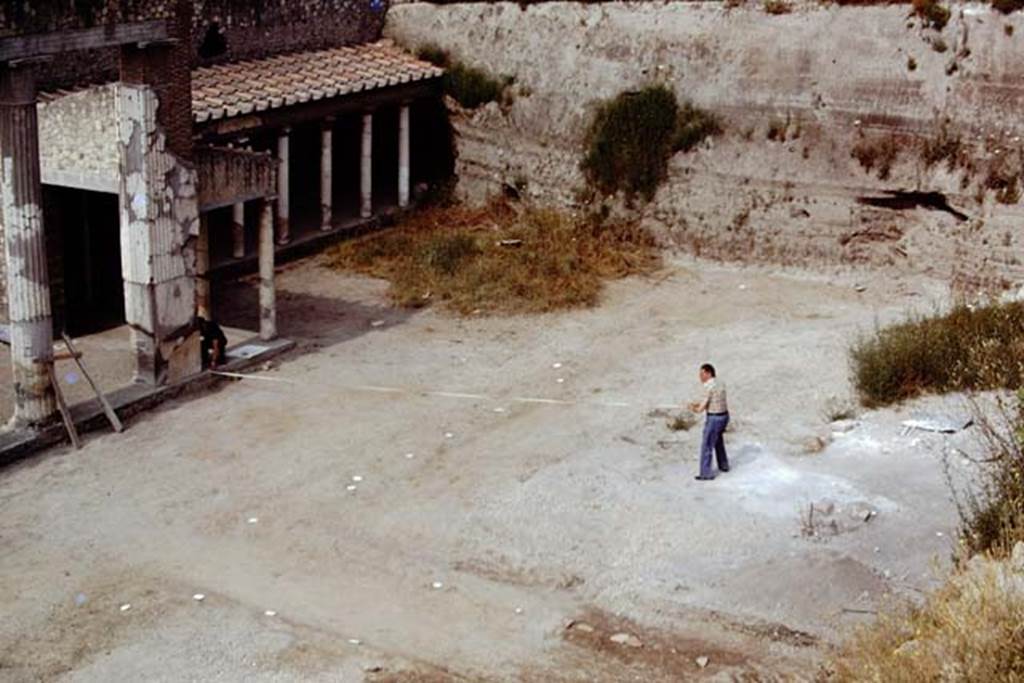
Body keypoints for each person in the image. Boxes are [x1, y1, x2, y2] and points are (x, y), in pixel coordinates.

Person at [688, 363, 730, 481]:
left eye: (702, 374)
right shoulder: (720, 383)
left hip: (714, 418)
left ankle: (706, 473)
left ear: (708, 373)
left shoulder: (708, 386)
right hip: (724, 416)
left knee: (707, 445)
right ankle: (724, 465)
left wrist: (692, 408)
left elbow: (701, 409)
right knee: (718, 441)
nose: (700, 377)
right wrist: (696, 404)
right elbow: (712, 401)